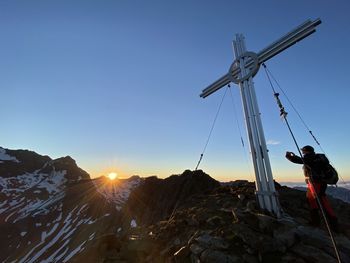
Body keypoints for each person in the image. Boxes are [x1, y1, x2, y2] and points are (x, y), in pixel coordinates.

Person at [285, 145, 338, 231]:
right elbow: (303, 160)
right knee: (312, 200)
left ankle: (332, 224)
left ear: (306, 151)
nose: (302, 152)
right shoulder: (317, 158)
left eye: (303, 151)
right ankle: (317, 221)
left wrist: (289, 156)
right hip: (317, 183)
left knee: (321, 202)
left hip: (316, 183)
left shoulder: (310, 157)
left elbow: (298, 160)